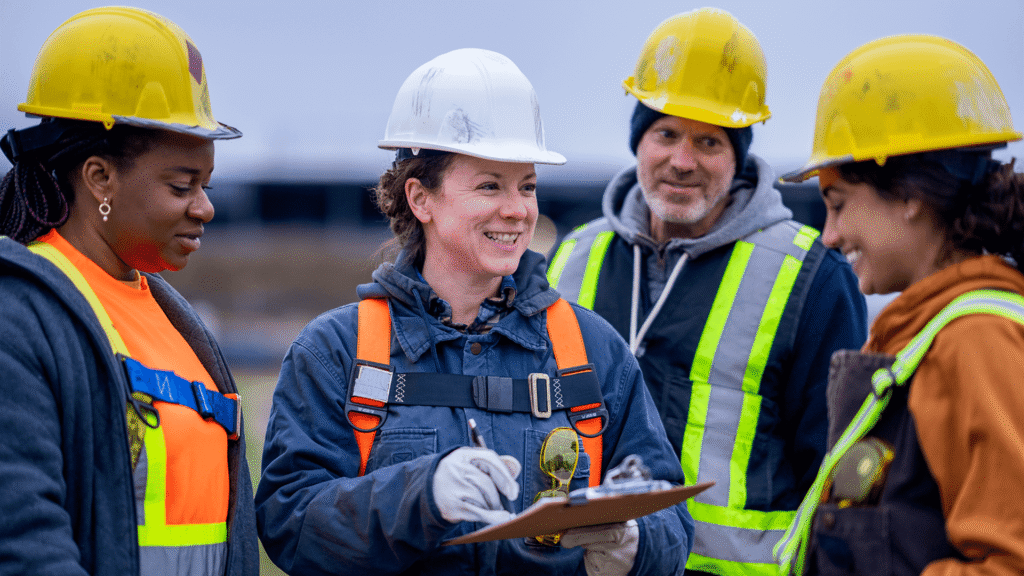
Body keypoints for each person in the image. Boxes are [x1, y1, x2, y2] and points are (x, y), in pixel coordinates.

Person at [255, 47, 695, 575]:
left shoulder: (591, 350)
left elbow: (669, 514)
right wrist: (422, 494)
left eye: (527, 186)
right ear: (421, 199)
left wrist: (634, 544)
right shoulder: (336, 352)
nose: (518, 209)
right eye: (490, 185)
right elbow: (290, 523)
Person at [546, 8, 867, 575]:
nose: (683, 161)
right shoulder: (573, 258)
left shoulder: (812, 277)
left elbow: (838, 477)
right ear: (638, 142)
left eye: (709, 142)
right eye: (665, 134)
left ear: (738, 155)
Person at [0, 7, 258, 575]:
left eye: (206, 185)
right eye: (181, 185)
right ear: (100, 178)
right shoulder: (17, 317)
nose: (205, 207)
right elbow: (22, 544)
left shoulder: (176, 321)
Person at [774, 35, 1024, 576]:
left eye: (838, 205)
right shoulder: (923, 333)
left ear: (911, 195)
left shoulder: (977, 340)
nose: (829, 236)